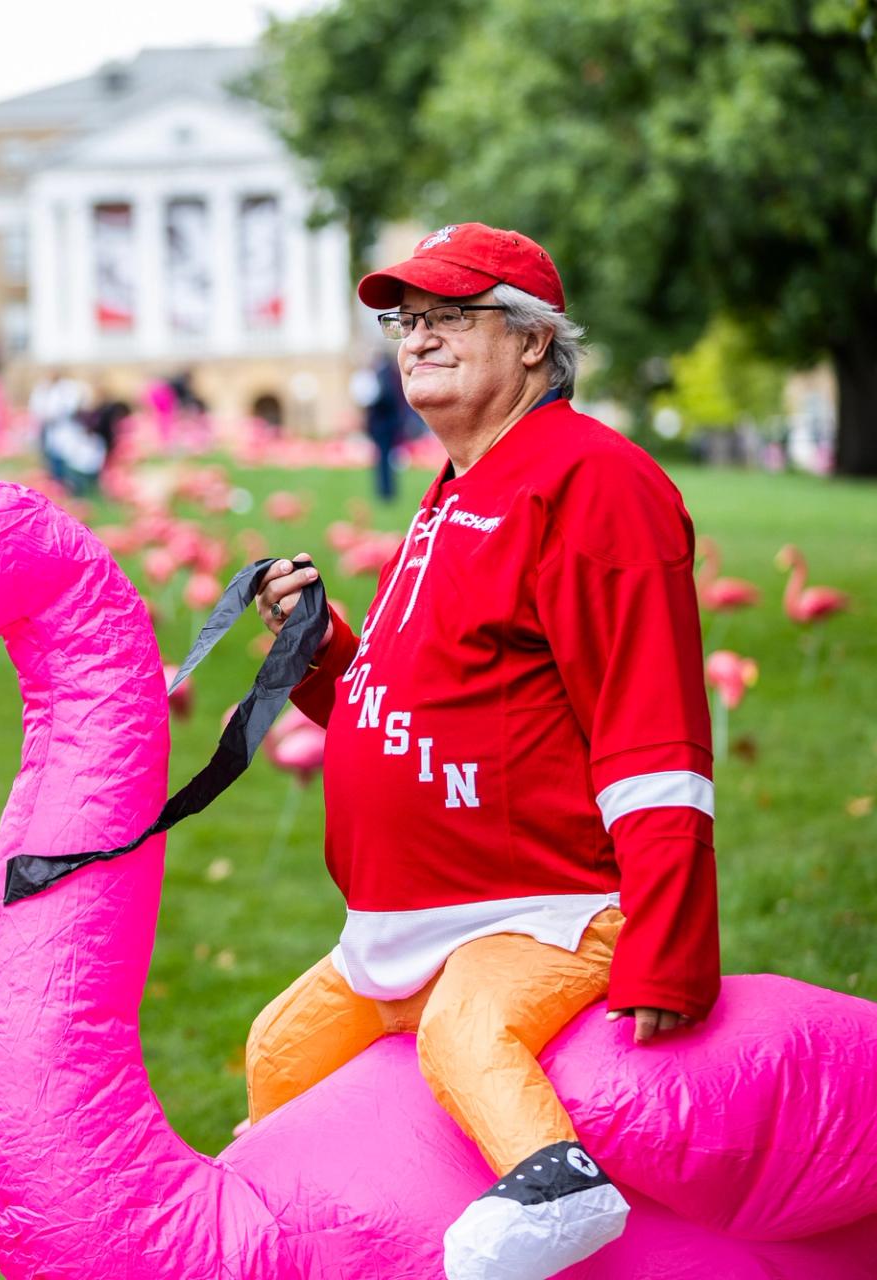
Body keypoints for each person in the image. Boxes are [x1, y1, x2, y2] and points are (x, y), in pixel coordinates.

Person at [247, 224, 716, 1280]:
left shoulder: (594, 481)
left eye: (450, 318)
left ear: (536, 344)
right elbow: (419, 704)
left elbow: (657, 727)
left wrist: (672, 939)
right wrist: (318, 649)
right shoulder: (460, 482)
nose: (417, 341)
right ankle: (320, 1242)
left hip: (539, 905)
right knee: (278, 1051)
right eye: (406, 323)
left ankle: (558, 1191)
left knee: (470, 1028)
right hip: (401, 921)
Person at [359, 349, 419, 503]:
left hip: (383, 425)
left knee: (383, 459)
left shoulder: (383, 374)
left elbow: (385, 397)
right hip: (387, 425)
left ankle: (385, 491)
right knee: (385, 458)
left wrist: (372, 404)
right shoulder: (390, 373)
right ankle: (387, 490)